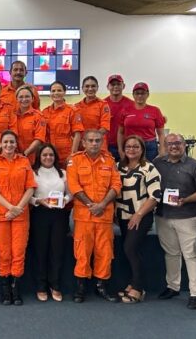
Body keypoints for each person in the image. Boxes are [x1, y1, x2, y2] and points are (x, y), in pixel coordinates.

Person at [153, 133, 196, 309]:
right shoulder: (157, 164)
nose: (174, 146)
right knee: (171, 253)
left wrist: (186, 199)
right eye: (169, 144)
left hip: (188, 217)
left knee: (192, 255)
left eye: (177, 143)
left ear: (184, 145)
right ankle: (173, 286)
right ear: (164, 146)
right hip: (163, 216)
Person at [66, 130, 121, 303]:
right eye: (90, 140)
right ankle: (80, 288)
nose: (94, 143)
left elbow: (116, 184)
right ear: (83, 142)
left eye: (97, 140)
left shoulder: (110, 161)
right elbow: (73, 186)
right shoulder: (74, 160)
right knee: (82, 251)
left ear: (102, 142)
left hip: (104, 215)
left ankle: (101, 286)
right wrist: (91, 205)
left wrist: (102, 204)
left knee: (104, 252)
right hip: (84, 215)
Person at [0, 130, 36, 305]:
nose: (9, 145)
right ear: (1, 144)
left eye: (12, 142)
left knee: (18, 253)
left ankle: (16, 289)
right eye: (5, 142)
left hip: (21, 215)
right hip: (2, 215)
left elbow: (30, 188)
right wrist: (10, 208)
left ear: (16, 144)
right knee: (4, 253)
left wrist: (19, 208)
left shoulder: (24, 162)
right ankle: (5, 290)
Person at [115, 136, 162, 304]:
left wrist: (139, 214)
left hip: (141, 216)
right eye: (128, 146)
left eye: (136, 146)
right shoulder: (118, 167)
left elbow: (155, 196)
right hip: (122, 216)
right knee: (130, 250)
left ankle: (138, 288)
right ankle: (132, 283)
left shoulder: (149, 168)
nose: (132, 149)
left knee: (130, 248)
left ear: (142, 149)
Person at [29, 144, 72, 302]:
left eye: (51, 155)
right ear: (39, 157)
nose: (48, 158)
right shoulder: (33, 173)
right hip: (40, 213)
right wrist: (37, 201)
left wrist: (64, 200)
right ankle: (41, 286)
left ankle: (55, 285)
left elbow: (70, 193)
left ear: (55, 157)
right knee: (40, 251)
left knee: (57, 251)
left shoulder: (63, 173)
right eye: (44, 155)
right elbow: (28, 195)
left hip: (59, 214)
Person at [118, 82, 166, 161]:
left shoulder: (155, 110)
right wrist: (120, 150)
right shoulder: (125, 110)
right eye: (137, 93)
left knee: (149, 171)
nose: (140, 96)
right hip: (131, 146)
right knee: (131, 170)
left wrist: (162, 149)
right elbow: (120, 132)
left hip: (149, 147)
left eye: (143, 93)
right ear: (133, 95)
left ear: (147, 94)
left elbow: (161, 133)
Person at [42, 81, 84, 166]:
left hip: (66, 153)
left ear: (64, 92)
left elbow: (77, 134)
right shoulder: (45, 112)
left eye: (59, 90)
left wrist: (72, 154)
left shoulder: (72, 111)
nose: (56, 93)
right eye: (53, 91)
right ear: (50, 94)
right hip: (50, 154)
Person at [74, 76, 111, 151]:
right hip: (81, 146)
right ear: (82, 88)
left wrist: (90, 142)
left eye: (93, 86)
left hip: (98, 146)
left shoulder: (103, 105)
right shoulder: (76, 107)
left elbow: (104, 128)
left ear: (97, 88)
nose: (90, 89)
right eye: (87, 86)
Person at [104, 74, 135, 161]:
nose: (116, 87)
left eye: (118, 84)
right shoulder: (102, 104)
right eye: (113, 84)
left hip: (127, 146)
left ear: (123, 86)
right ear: (108, 87)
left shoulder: (132, 104)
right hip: (107, 146)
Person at [15, 85, 47, 163]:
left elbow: (39, 138)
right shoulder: (13, 116)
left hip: (33, 157)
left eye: (27, 96)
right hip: (15, 156)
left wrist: (26, 153)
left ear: (32, 99)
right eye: (21, 97)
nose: (24, 99)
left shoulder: (39, 116)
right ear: (17, 99)